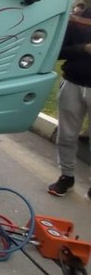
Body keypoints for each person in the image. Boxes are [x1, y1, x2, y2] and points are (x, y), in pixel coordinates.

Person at [47, 14, 91, 201]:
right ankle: (67, 176)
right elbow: (58, 51)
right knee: (66, 134)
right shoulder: (77, 20)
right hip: (73, 82)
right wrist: (84, 48)